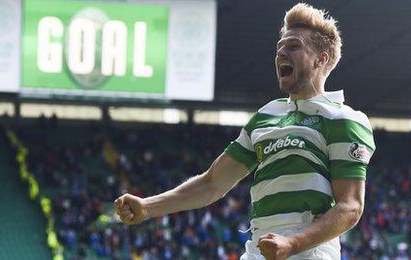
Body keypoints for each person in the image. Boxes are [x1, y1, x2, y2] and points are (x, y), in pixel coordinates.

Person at [114, 3, 375, 259]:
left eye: (293, 46)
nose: (281, 53)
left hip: (310, 251)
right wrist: (147, 207)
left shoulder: (343, 119)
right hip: (261, 247)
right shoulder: (266, 116)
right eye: (279, 47)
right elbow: (212, 183)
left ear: (322, 59)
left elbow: (350, 206)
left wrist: (293, 244)